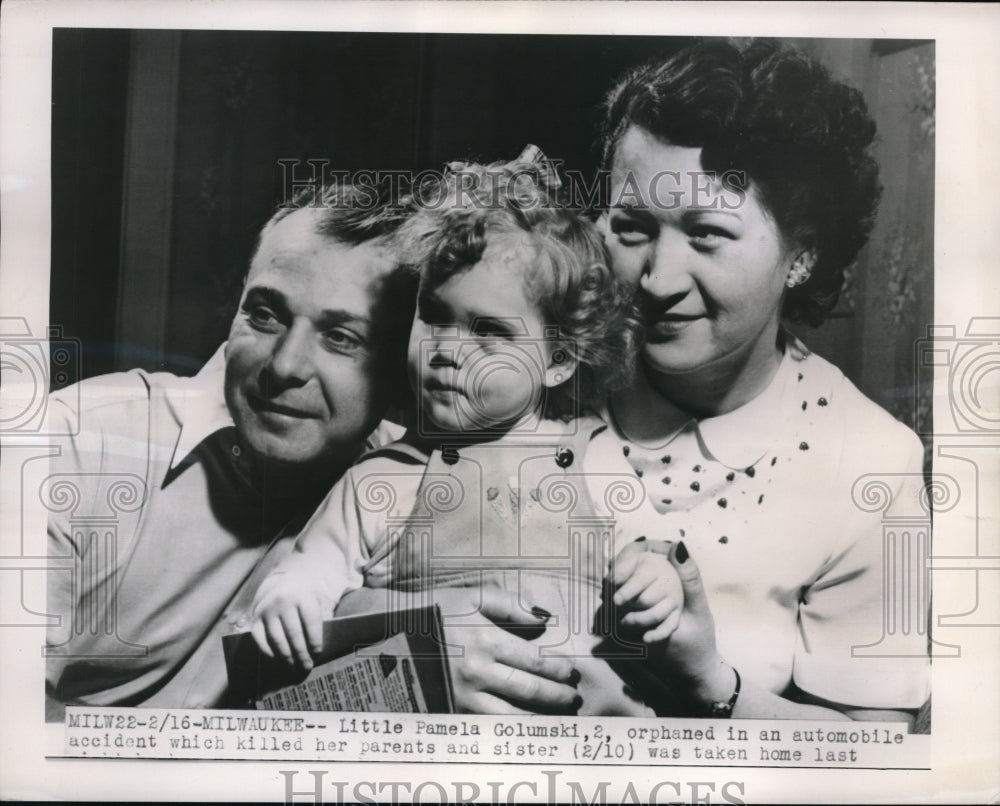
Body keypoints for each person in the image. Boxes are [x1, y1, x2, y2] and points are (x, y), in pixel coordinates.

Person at [44, 181, 579, 716]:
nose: (284, 367)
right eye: (266, 313)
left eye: (341, 337)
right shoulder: (76, 444)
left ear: (400, 369)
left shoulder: (416, 485)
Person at [250, 155, 688, 715]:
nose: (446, 351)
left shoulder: (592, 459)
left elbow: (648, 552)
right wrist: (291, 597)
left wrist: (657, 580)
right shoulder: (382, 478)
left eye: (489, 331)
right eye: (434, 315)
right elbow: (310, 575)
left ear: (558, 359)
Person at [594, 39, 931, 722]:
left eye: (707, 233)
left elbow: (876, 761)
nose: (657, 280)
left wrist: (712, 686)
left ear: (802, 252)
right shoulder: (534, 369)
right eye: (632, 228)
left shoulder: (872, 464)